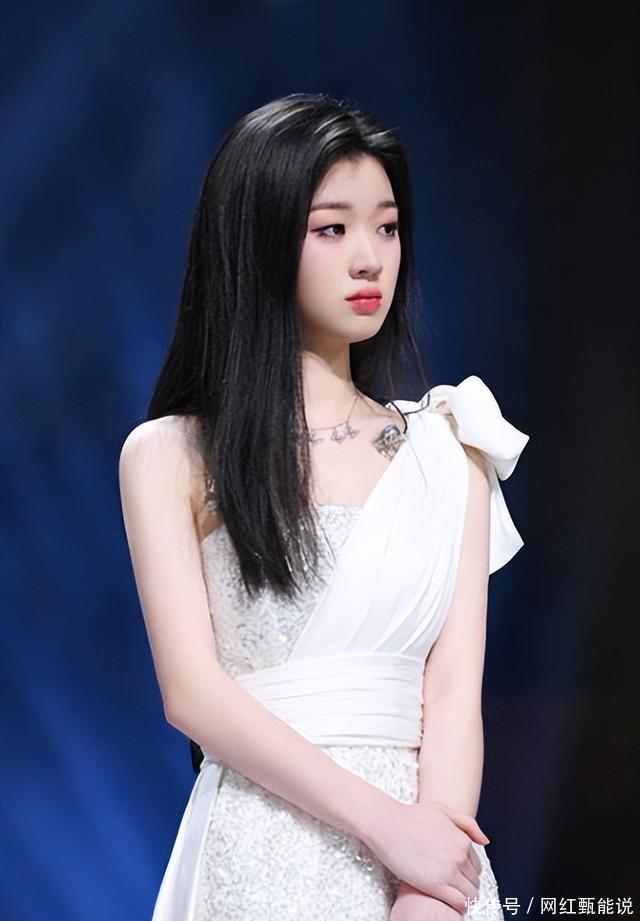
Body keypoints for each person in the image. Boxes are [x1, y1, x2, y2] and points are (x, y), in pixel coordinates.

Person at [119, 93, 529, 921]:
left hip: (427, 867)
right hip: (262, 848)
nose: (370, 258)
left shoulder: (450, 449)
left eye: (387, 227)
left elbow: (454, 692)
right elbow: (192, 692)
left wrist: (428, 886)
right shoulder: (171, 453)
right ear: (257, 240)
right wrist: (386, 826)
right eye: (332, 229)